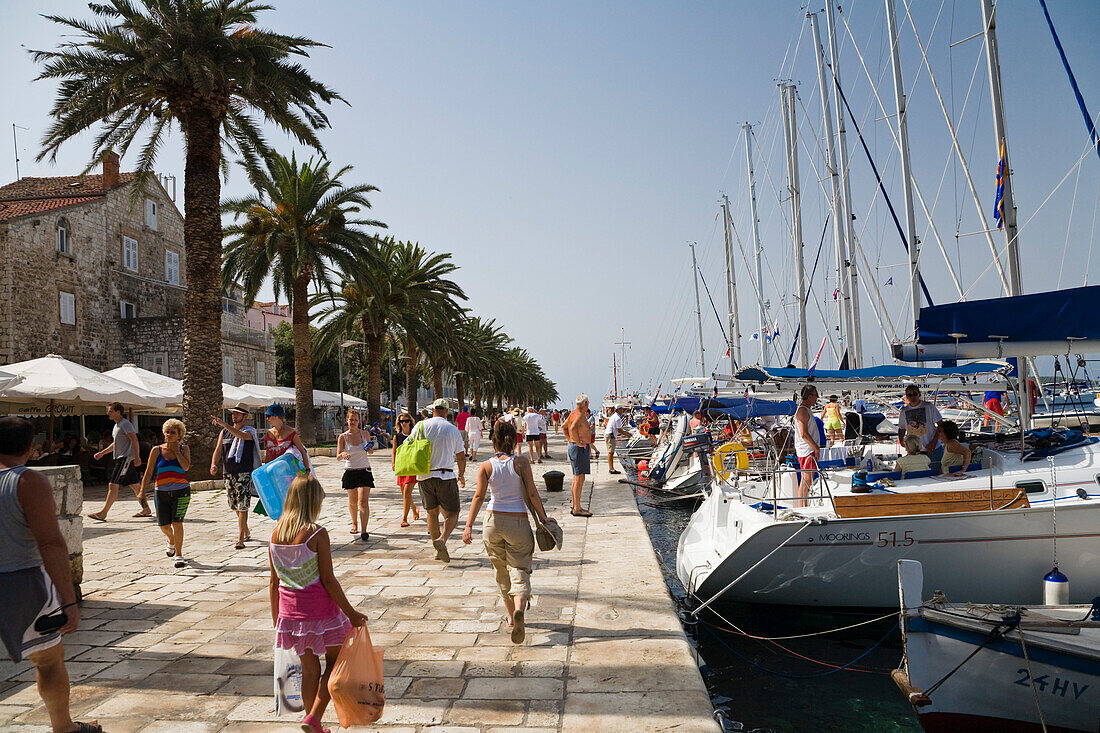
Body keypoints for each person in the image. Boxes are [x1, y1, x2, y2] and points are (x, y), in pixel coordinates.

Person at [0, 417, 100, 733]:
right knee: (49, 661)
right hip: (22, 582)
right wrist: (69, 601)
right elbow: (51, 543)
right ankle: (64, 728)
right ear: (31, 448)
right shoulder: (27, 482)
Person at [268, 475, 367, 733]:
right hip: (322, 613)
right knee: (334, 665)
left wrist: (276, 619)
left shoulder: (275, 535)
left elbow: (273, 583)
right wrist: (352, 613)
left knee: (309, 670)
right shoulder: (316, 533)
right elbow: (328, 580)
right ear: (313, 502)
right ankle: (313, 718)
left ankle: (314, 724)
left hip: (290, 614)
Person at [462, 419, 557, 644]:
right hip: (517, 522)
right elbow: (533, 494)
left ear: (493, 440)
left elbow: (478, 497)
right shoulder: (522, 463)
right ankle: (519, 608)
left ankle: (511, 618)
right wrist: (544, 519)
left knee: (501, 571)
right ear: (513, 439)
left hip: (492, 521)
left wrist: (468, 526)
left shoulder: (486, 466)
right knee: (520, 567)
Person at [415, 398, 467, 563]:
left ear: (432, 410)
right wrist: (461, 474)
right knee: (453, 513)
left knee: (431, 513)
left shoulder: (420, 426)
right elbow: (461, 456)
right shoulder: (451, 429)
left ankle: (437, 550)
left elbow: (409, 446)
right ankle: (442, 540)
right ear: (446, 411)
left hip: (424, 476)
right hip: (445, 475)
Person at [138, 419, 192, 569]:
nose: (168, 435)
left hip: (181, 491)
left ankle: (179, 555)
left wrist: (176, 452)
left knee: (177, 522)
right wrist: (142, 491)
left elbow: (186, 467)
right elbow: (148, 472)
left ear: (179, 435)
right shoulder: (156, 450)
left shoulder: (184, 449)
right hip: (161, 491)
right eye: (167, 432)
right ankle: (171, 540)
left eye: (172, 432)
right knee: (164, 525)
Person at [210, 404, 261, 550]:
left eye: (238, 414)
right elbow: (218, 450)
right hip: (228, 472)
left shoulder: (250, 431)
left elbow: (241, 436)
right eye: (233, 413)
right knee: (234, 505)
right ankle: (245, 530)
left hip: (244, 472)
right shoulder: (224, 433)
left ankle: (240, 539)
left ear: (245, 417)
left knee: (242, 504)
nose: (234, 416)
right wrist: (214, 464)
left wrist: (224, 424)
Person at [87, 402, 147, 521]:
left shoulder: (125, 424)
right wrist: (102, 453)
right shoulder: (117, 426)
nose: (108, 413)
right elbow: (116, 444)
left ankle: (103, 513)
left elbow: (134, 439)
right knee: (135, 485)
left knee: (113, 485)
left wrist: (137, 457)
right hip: (122, 458)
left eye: (110, 410)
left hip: (125, 458)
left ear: (118, 412)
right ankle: (146, 509)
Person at [337, 409, 375, 542]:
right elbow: (338, 456)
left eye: (355, 420)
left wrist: (369, 448)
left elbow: (371, 452)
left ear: (359, 421)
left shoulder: (365, 434)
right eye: (350, 419)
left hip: (364, 470)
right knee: (353, 502)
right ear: (347, 420)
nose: (352, 422)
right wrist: (343, 454)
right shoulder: (343, 437)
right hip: (350, 471)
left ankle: (364, 530)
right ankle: (354, 524)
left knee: (363, 501)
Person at [562, 394, 593, 517]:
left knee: (577, 478)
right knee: (579, 479)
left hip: (574, 447)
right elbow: (573, 427)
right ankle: (577, 508)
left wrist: (570, 440)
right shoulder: (579, 415)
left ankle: (575, 506)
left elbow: (564, 427)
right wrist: (577, 442)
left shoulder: (573, 413)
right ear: (585, 404)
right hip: (579, 449)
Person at [392, 412, 421, 527]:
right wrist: (393, 463)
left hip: (412, 466)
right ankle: (414, 509)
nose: (404, 423)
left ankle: (404, 518)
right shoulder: (397, 436)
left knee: (407, 492)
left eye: (406, 421)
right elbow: (394, 451)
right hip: (401, 466)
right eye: (401, 421)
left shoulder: (415, 435)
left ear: (410, 422)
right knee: (404, 493)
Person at [263, 404, 312, 472]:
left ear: (276, 416)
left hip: (288, 473)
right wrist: (265, 470)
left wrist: (307, 470)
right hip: (273, 472)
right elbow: (268, 454)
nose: (267, 419)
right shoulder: (269, 433)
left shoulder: (291, 433)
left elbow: (303, 452)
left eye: (268, 416)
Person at [898, 386, 943, 459]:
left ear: (919, 394)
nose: (912, 397)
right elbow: (901, 429)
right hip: (915, 452)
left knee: (938, 470)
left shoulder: (929, 407)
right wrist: (901, 441)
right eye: (909, 395)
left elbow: (941, 425)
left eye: (915, 394)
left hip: (934, 449)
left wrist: (933, 442)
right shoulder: (903, 411)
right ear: (906, 397)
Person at [793, 385, 821, 505]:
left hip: (808, 450)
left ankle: (803, 504)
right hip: (807, 450)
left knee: (807, 480)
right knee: (807, 480)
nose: (817, 398)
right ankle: (802, 506)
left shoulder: (806, 410)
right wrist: (816, 448)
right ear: (810, 396)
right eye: (816, 395)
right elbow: (804, 434)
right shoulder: (803, 411)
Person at [603, 405, 628, 474]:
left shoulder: (614, 416)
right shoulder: (617, 418)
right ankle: (611, 469)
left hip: (609, 434)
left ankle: (611, 468)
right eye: (622, 409)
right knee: (611, 453)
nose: (622, 410)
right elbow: (619, 430)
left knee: (610, 452)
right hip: (610, 435)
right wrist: (627, 434)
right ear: (618, 410)